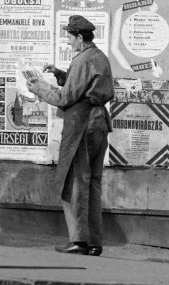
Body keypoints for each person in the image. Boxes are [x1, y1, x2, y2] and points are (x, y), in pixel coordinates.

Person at [21, 14, 114, 257]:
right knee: (93, 183)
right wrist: (61, 74)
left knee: (75, 183)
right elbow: (86, 86)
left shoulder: (82, 60)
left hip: (81, 125)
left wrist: (38, 86)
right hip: (99, 124)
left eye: (70, 38)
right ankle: (94, 242)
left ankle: (79, 241)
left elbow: (66, 98)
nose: (68, 43)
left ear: (80, 38)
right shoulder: (98, 56)